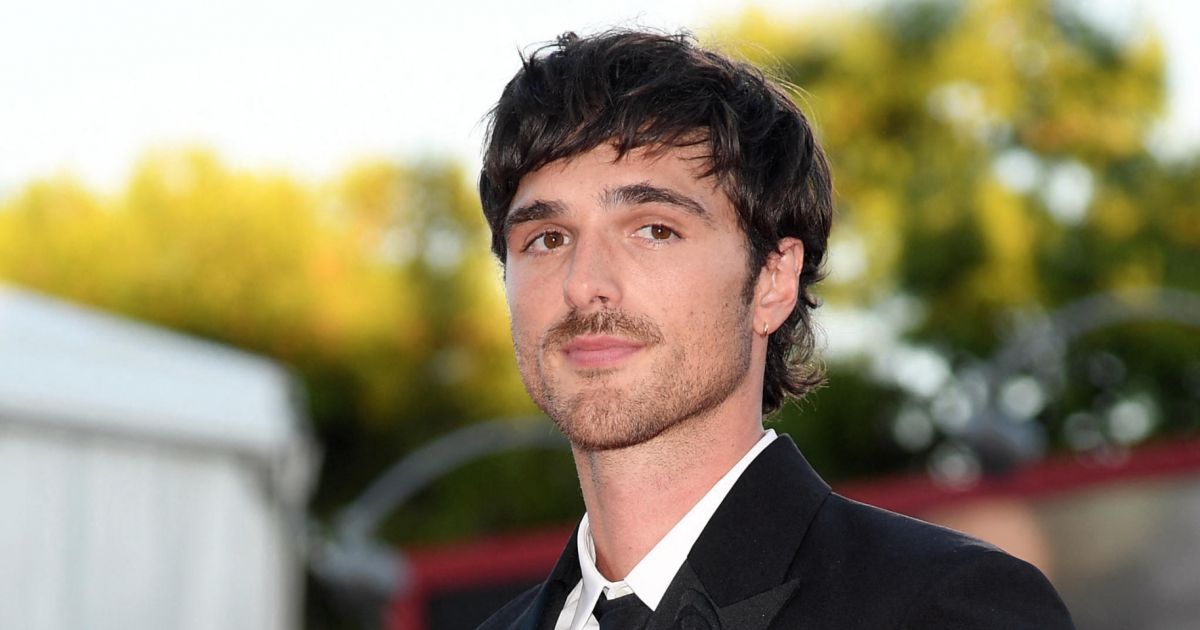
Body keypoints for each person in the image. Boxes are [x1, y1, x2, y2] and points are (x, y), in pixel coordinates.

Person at [475, 29, 1074, 630]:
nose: (584, 283)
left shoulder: (944, 607)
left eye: (654, 229)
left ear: (773, 281)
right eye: (546, 239)